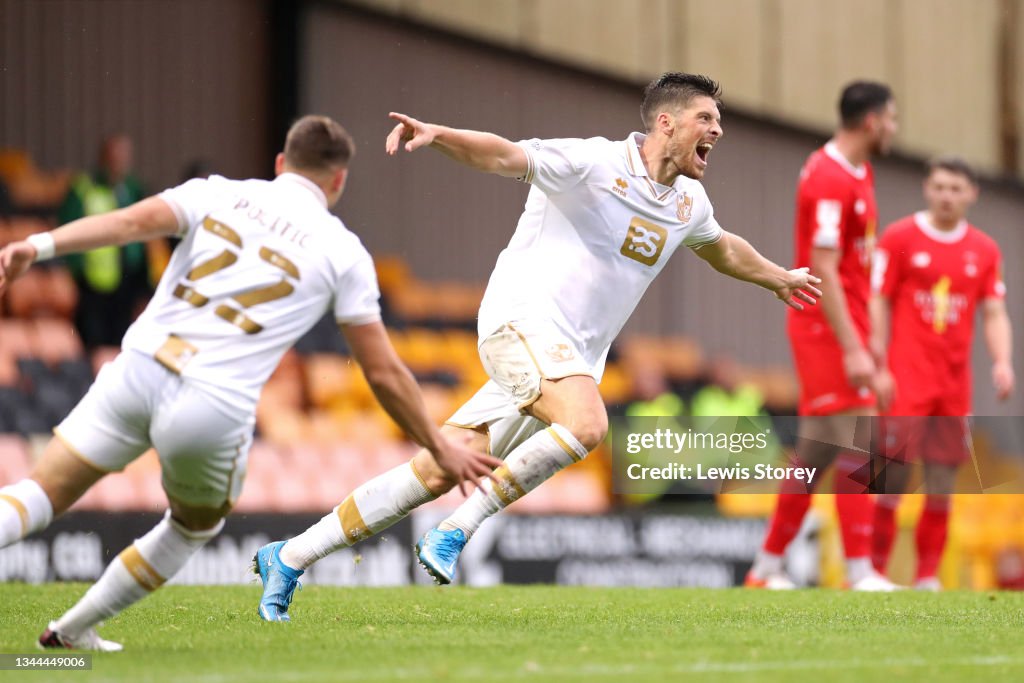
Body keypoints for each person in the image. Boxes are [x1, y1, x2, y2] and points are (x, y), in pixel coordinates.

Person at [253, 72, 823, 620]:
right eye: (707, 118)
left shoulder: (687, 204)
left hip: (566, 358)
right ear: (667, 123)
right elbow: (505, 155)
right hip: (519, 322)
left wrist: (777, 276)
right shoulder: (592, 162)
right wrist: (440, 135)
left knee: (436, 470)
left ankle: (289, 556)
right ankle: (456, 530)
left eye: (719, 120)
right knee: (587, 424)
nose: (717, 130)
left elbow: (721, 247)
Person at [0, 115, 498, 650]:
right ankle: (73, 630)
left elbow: (127, 224)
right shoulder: (343, 251)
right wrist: (437, 444)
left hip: (140, 365)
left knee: (39, 493)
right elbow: (381, 372)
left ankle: (73, 629)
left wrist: (41, 245)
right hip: (212, 402)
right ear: (338, 182)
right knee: (191, 526)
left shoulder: (217, 193)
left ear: (282, 163)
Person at [746, 81, 899, 591]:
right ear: (873, 121)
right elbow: (826, 270)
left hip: (846, 326)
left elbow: (859, 269)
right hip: (824, 329)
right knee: (864, 442)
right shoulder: (829, 178)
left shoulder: (859, 172)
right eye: (892, 119)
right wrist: (853, 347)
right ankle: (860, 571)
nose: (896, 129)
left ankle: (766, 568)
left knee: (818, 453)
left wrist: (872, 337)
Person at [869, 156, 1013, 589]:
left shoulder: (984, 250)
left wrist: (1003, 360)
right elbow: (878, 299)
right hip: (905, 376)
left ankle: (927, 575)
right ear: (926, 189)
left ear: (972, 194)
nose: (946, 196)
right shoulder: (899, 237)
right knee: (889, 474)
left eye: (955, 188)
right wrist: (878, 360)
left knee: (943, 478)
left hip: (953, 384)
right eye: (939, 187)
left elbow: (993, 312)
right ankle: (872, 571)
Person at [58, 134, 154, 348]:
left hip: (126, 278)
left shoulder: (133, 188)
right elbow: (67, 228)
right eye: (116, 155)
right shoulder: (83, 187)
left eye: (125, 155)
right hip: (92, 281)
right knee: (94, 339)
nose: (121, 161)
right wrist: (77, 272)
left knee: (122, 339)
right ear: (103, 157)